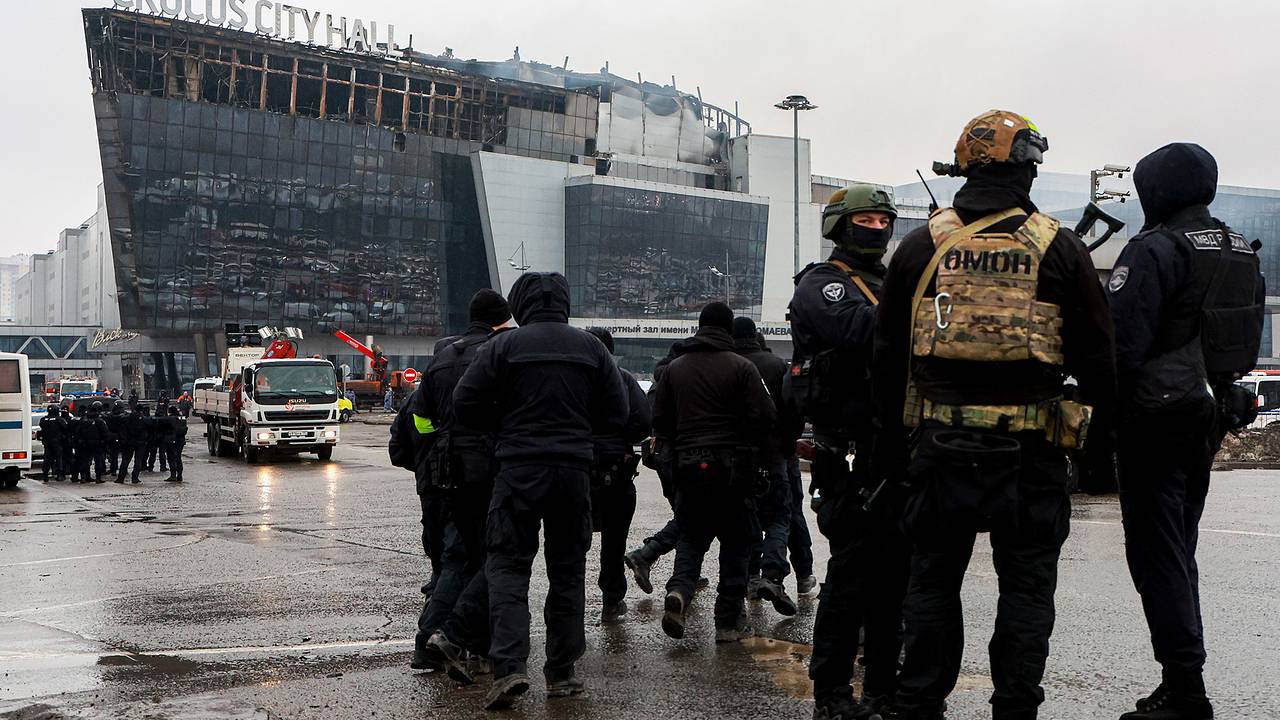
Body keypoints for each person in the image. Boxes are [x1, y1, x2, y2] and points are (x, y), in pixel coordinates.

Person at [874, 110, 1116, 720]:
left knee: (931, 582)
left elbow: (884, 360)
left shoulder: (920, 247)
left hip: (938, 448)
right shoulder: (1059, 248)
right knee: (1027, 588)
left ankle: (919, 704)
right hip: (1030, 455)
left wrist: (889, 452)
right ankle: (1014, 708)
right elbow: (1098, 362)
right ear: (1027, 169)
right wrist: (1095, 451)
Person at [1108, 143, 1264, 720]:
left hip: (1155, 416)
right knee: (1180, 545)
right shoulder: (1237, 249)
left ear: (1157, 190)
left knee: (1157, 554)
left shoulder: (1154, 250)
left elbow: (1122, 347)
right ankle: (1182, 681)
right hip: (1211, 413)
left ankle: (1186, 689)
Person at [453, 271, 628, 711]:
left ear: (521, 303)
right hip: (573, 473)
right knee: (567, 573)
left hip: (518, 471)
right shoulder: (591, 348)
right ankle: (563, 675)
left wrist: (502, 431)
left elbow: (465, 403)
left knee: (509, 568)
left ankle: (510, 666)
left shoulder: (503, 346)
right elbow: (618, 412)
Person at [789, 182, 909, 720]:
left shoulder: (894, 285)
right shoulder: (824, 284)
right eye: (867, 221)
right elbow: (859, 330)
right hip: (852, 457)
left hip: (900, 450)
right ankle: (832, 694)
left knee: (896, 584)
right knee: (850, 580)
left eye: (885, 223)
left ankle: (884, 690)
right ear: (840, 226)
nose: (876, 231)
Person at [652, 302, 776, 644]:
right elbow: (766, 416)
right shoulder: (743, 367)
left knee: (691, 536)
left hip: (689, 466)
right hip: (733, 469)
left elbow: (660, 420)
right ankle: (727, 622)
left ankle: (678, 591)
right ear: (729, 329)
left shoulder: (675, 369)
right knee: (736, 542)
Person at [410, 289, 511, 676]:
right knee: (496, 557)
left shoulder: (440, 361)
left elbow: (418, 420)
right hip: (489, 468)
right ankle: (474, 646)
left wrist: (441, 441)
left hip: (447, 471)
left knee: (459, 558)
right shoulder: (498, 353)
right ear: (499, 320)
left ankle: (428, 641)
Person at [583, 327, 652, 619]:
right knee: (614, 538)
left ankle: (566, 600)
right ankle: (612, 598)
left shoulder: (573, 380)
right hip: (615, 467)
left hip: (577, 464)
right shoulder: (623, 379)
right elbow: (642, 423)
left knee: (571, 538)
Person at [732, 317, 799, 617]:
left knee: (742, 522)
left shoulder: (726, 364)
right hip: (773, 458)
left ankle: (746, 580)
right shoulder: (775, 365)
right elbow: (792, 410)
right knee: (778, 519)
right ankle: (772, 576)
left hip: (735, 459)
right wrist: (787, 447)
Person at [76, 401, 110, 483]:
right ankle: (98, 478)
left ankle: (84, 477)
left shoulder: (83, 420)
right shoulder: (99, 421)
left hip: (85, 444)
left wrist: (79, 441)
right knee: (98, 461)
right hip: (97, 444)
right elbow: (105, 433)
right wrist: (105, 442)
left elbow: (77, 432)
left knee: (85, 461)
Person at [116, 405, 151, 484]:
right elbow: (151, 427)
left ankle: (121, 478)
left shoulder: (127, 418)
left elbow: (121, 428)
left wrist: (124, 439)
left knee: (125, 460)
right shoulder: (145, 419)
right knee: (138, 461)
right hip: (141, 442)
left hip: (129, 442)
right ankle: (135, 478)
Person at [37, 405, 67, 482]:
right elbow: (65, 428)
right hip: (57, 442)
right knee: (58, 458)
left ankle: (45, 474)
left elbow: (41, 426)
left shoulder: (43, 419)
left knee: (47, 458)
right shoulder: (59, 419)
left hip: (47, 442)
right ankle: (59, 474)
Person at [163, 406, 187, 482]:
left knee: (171, 458)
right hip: (181, 441)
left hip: (172, 441)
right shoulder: (182, 418)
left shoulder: (169, 419)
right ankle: (179, 475)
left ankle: (173, 475)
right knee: (178, 458)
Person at [105, 400, 128, 476]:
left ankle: (114, 469)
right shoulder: (124, 415)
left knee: (114, 455)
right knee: (124, 455)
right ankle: (123, 469)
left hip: (114, 436)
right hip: (122, 436)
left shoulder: (110, 415)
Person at [146, 404, 170, 473]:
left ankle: (150, 467)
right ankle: (163, 467)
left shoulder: (153, 419)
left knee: (153, 453)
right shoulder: (165, 420)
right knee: (162, 453)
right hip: (162, 438)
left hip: (154, 438)